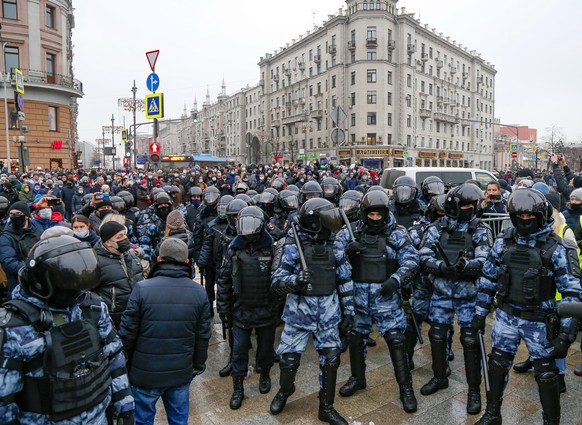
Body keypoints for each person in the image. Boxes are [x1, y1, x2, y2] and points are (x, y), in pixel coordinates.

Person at [473, 188, 582, 425]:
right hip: (505, 317)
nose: (524, 221)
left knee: (546, 374)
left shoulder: (557, 247)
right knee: (497, 365)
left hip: (540, 321)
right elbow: (488, 279)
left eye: (529, 217)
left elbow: (573, 292)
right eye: (519, 217)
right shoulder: (503, 243)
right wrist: (479, 314)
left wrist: (566, 335)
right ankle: (493, 414)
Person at [0, 235, 134, 424]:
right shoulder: (15, 327)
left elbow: (115, 360)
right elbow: (4, 400)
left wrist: (125, 408)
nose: (75, 291)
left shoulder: (92, 308)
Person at [270, 198, 354, 425]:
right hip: (298, 316)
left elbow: (345, 280)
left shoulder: (335, 246)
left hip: (328, 315)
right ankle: (285, 391)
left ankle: (326, 407)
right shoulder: (291, 247)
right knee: (288, 362)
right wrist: (295, 280)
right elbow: (276, 282)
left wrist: (349, 312)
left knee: (331, 360)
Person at [336, 190, 419, 413]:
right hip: (358, 299)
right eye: (371, 215)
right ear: (364, 213)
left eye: (378, 215)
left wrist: (396, 280)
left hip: (387, 298)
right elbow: (332, 258)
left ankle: (406, 388)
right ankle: (357, 378)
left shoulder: (397, 233)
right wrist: (346, 252)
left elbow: (412, 260)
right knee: (355, 338)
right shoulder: (349, 232)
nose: (375, 219)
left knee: (396, 340)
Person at [418, 183, 493, 415]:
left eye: (473, 205)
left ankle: (473, 390)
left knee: (470, 341)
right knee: (437, 335)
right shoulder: (437, 227)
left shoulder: (480, 229)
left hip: (468, 294)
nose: (471, 209)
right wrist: (440, 267)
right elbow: (423, 254)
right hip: (441, 291)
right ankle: (440, 377)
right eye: (467, 206)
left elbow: (485, 259)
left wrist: (466, 267)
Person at [120, 238, 211, 425]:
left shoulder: (142, 289)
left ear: (159, 259)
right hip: (180, 372)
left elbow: (128, 332)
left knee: (142, 419)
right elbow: (203, 335)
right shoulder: (198, 292)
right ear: (186, 262)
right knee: (178, 419)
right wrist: (198, 364)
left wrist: (125, 364)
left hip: (145, 373)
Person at [217, 206, 278, 410]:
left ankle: (265, 376)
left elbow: (279, 279)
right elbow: (224, 280)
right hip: (241, 310)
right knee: (239, 351)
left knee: (265, 350)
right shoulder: (233, 249)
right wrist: (223, 308)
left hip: (265, 308)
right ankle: (238, 388)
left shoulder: (272, 248)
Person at [94, 220, 144, 329]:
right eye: (120, 236)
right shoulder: (96, 263)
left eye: (125, 234)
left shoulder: (132, 257)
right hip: (115, 321)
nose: (125, 239)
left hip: (138, 316)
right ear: (108, 242)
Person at [0, 201, 42, 298]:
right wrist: (32, 270)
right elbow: (8, 262)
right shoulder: (6, 237)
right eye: (11, 214)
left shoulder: (38, 232)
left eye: (18, 214)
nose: (14, 216)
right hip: (18, 285)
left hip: (40, 282)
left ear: (26, 216)